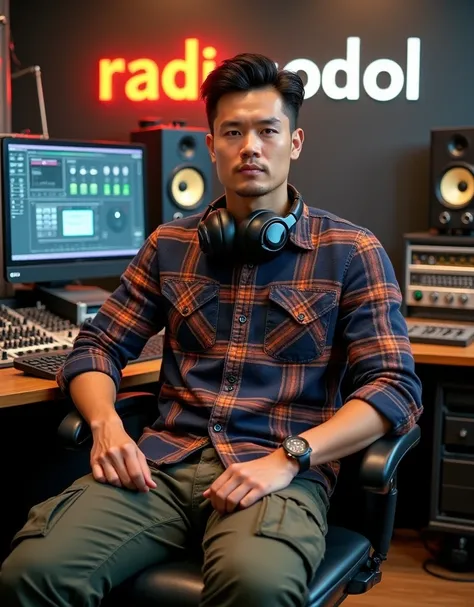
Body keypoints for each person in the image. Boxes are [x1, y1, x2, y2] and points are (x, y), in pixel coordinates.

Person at [0, 52, 423, 607]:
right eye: (233, 131)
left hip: (279, 473)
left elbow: (393, 388)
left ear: (294, 142)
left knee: (257, 587)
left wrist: (289, 457)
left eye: (268, 130)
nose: (251, 146)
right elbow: (97, 347)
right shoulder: (170, 244)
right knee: (31, 571)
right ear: (212, 145)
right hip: (160, 467)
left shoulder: (350, 251)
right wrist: (106, 425)